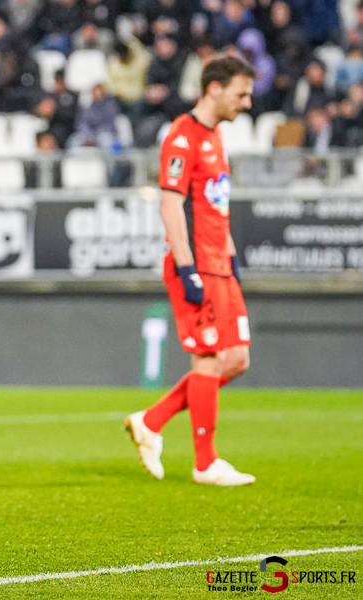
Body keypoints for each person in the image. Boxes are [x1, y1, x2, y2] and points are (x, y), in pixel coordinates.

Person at [124, 55, 257, 487]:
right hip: (197, 264)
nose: (248, 102)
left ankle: (152, 420)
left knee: (235, 360)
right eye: (242, 93)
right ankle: (206, 462)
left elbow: (215, 206)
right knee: (208, 357)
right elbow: (170, 204)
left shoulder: (216, 137)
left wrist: (232, 260)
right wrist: (187, 270)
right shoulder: (182, 136)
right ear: (214, 88)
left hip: (221, 263)